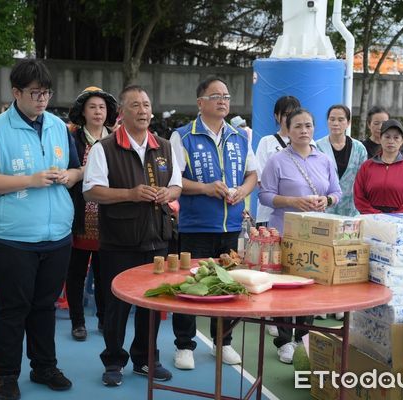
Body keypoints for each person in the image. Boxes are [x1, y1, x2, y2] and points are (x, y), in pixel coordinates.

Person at [0, 59, 81, 400]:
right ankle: (6, 374)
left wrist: (68, 176)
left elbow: (77, 170)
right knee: (11, 308)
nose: (42, 99)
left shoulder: (60, 127)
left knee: (45, 305)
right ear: (16, 92)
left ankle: (44, 365)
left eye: (46, 92)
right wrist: (29, 180)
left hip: (57, 235)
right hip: (11, 238)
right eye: (35, 93)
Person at [82, 85, 181, 387]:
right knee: (117, 305)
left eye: (147, 104)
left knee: (151, 304)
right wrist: (131, 193)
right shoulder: (106, 148)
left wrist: (167, 193)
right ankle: (113, 359)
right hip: (119, 240)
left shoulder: (163, 146)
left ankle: (146, 358)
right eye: (135, 105)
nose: (143, 110)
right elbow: (91, 190)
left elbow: (177, 185)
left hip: (158, 238)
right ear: (122, 112)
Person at [169, 76, 258, 369]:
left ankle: (224, 342)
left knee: (228, 285)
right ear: (200, 102)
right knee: (190, 285)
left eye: (226, 96)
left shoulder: (239, 137)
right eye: (216, 96)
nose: (223, 101)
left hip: (231, 225)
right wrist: (206, 188)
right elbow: (175, 180)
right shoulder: (182, 136)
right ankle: (184, 344)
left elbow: (252, 175)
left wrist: (243, 192)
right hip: (196, 226)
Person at [259, 108, 342, 364]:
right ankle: (284, 340)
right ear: (288, 129)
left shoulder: (324, 159)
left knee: (309, 287)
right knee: (284, 290)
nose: (304, 131)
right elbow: (264, 195)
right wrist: (293, 201)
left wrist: (325, 200)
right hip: (284, 232)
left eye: (308, 125)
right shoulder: (277, 160)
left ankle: (301, 337)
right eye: (298, 126)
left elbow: (337, 192)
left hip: (315, 235)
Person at [65, 86, 118, 341]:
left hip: (108, 216)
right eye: (93, 107)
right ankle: (77, 321)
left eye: (102, 107)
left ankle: (104, 318)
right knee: (75, 272)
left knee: (105, 272)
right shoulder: (72, 138)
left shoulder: (117, 138)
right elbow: (69, 173)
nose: (98, 112)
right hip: (78, 214)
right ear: (83, 112)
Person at [354, 119, 403, 214]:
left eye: (396, 137)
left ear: (402, 141)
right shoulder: (367, 166)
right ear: (380, 139)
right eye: (387, 137)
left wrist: (396, 217)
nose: (391, 141)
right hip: (371, 220)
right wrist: (376, 215)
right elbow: (359, 197)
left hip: (401, 221)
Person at [255, 95, 301, 227]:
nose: (291, 118)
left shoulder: (309, 143)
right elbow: (260, 179)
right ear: (277, 116)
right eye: (286, 114)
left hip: (298, 214)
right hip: (269, 213)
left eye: (294, 113)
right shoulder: (266, 142)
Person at [316, 104, 367, 217]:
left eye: (340, 119)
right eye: (332, 119)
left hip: (351, 209)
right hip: (324, 209)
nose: (335, 123)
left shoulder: (359, 148)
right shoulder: (317, 147)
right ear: (327, 121)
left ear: (348, 122)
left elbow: (363, 180)